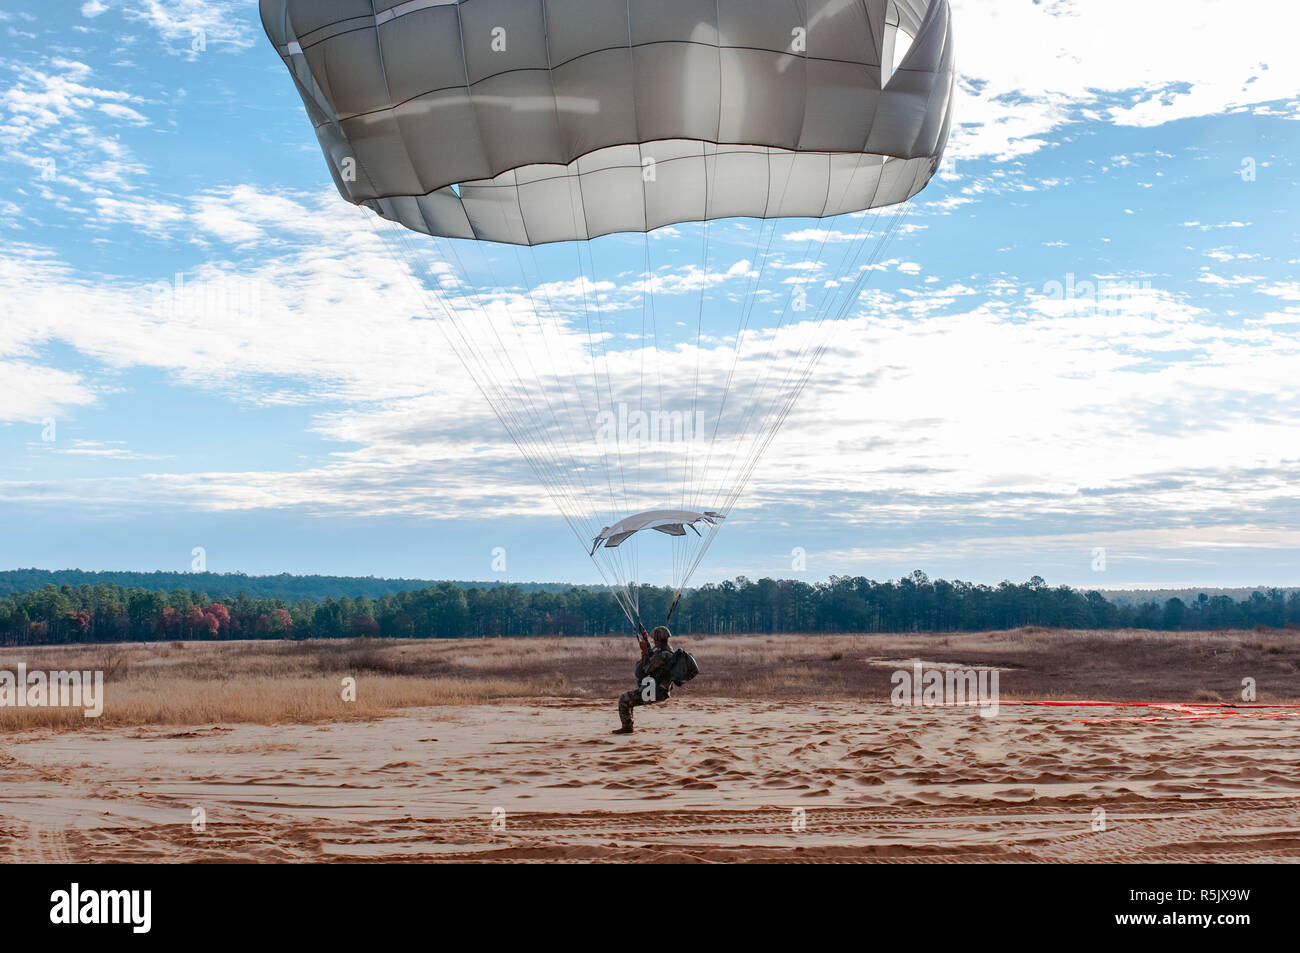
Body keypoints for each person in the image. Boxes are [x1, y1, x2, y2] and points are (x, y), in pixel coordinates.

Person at [612, 625, 674, 734]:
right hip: (657, 690)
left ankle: (627, 727)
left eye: (654, 639)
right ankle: (628, 726)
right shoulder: (666, 651)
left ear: (657, 639)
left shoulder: (664, 654)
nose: (653, 641)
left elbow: (647, 669)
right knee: (628, 700)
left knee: (624, 699)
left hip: (654, 691)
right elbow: (653, 657)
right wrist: (646, 642)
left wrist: (644, 651)